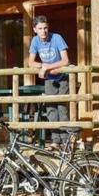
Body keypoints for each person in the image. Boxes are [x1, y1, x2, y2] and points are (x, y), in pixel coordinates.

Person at [28, 15, 70, 150]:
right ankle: (55, 141)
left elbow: (65, 61)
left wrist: (46, 67)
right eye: (40, 28)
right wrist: (43, 66)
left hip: (62, 77)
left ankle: (66, 142)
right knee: (51, 110)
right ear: (35, 29)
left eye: (45, 28)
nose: (43, 31)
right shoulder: (35, 41)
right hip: (49, 79)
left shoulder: (56, 38)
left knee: (62, 109)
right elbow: (30, 62)